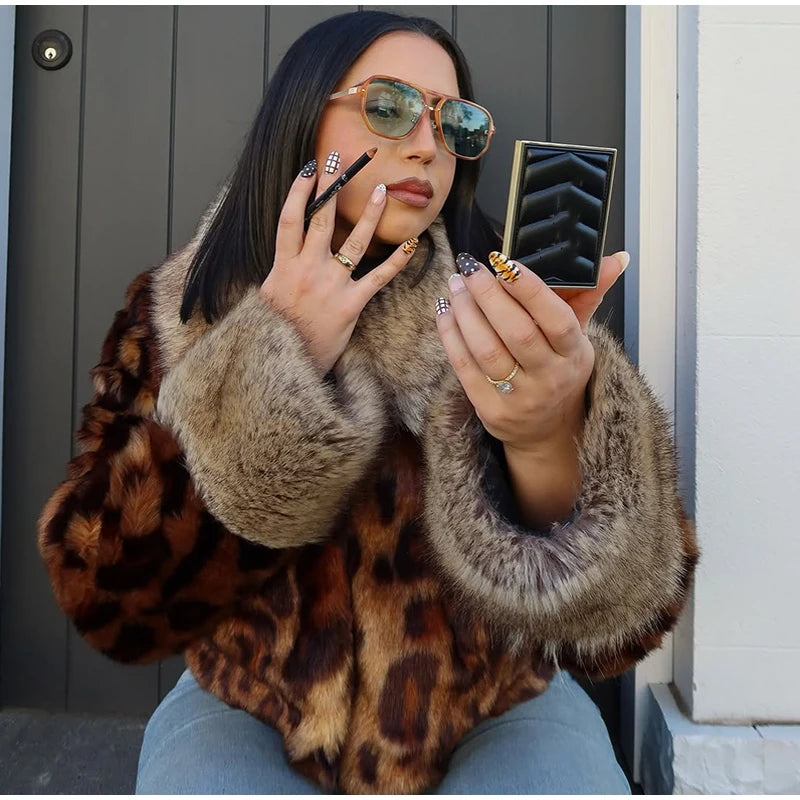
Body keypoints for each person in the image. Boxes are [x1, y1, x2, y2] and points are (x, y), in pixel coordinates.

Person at [37, 10, 699, 795]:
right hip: (246, 706)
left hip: (499, 706)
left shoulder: (507, 315)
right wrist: (273, 359)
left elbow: (625, 627)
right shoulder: (178, 314)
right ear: (302, 119)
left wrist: (543, 433)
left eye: (453, 122)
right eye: (388, 107)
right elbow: (106, 598)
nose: (425, 143)